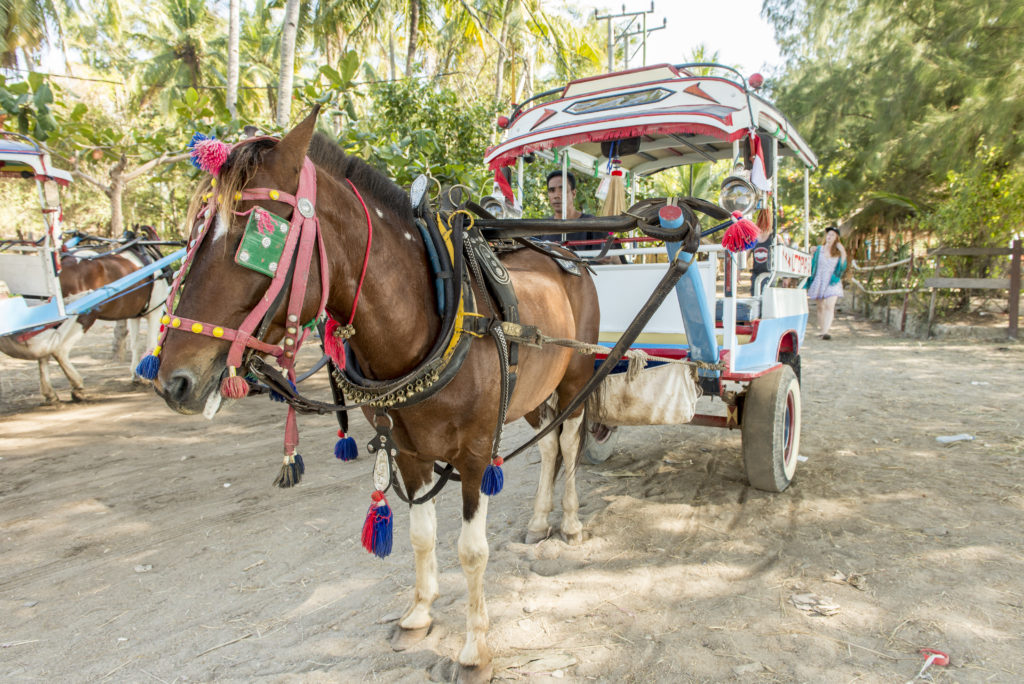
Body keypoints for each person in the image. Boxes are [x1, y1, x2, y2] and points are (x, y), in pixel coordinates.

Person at [804, 225, 847, 339]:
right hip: (819, 279)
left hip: (832, 280)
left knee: (829, 305)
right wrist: (812, 251)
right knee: (820, 307)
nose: (829, 236)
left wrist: (842, 251)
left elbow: (842, 266)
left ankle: (826, 331)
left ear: (836, 238)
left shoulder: (838, 251)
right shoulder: (819, 249)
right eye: (828, 234)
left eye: (832, 235)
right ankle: (822, 330)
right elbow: (812, 263)